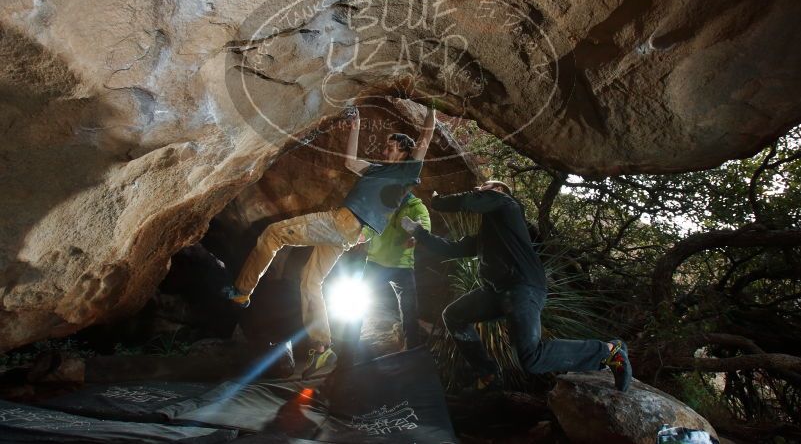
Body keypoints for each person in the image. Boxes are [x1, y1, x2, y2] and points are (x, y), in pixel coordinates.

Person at [224, 105, 436, 378]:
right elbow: (349, 162)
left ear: (406, 153)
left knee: (273, 234)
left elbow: (426, 138)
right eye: (386, 146)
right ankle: (322, 345)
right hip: (346, 234)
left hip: (342, 222)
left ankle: (242, 291)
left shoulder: (406, 173)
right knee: (311, 281)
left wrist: (430, 106)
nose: (386, 150)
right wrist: (355, 126)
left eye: (393, 148)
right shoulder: (375, 169)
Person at [400, 180, 633, 392]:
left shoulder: (507, 204)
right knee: (454, 315)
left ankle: (609, 352)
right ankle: (488, 373)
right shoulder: (488, 235)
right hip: (499, 292)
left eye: (485, 186)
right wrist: (418, 232)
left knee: (531, 359)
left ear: (498, 191)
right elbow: (450, 248)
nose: (478, 187)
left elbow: (470, 200)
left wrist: (436, 201)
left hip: (523, 287)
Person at [360, 192, 431, 350]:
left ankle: (411, 351)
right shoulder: (382, 201)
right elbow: (371, 224)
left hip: (402, 265)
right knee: (357, 306)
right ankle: (347, 355)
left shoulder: (417, 206)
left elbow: (424, 224)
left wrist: (416, 236)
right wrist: (362, 235)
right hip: (375, 262)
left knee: (410, 311)